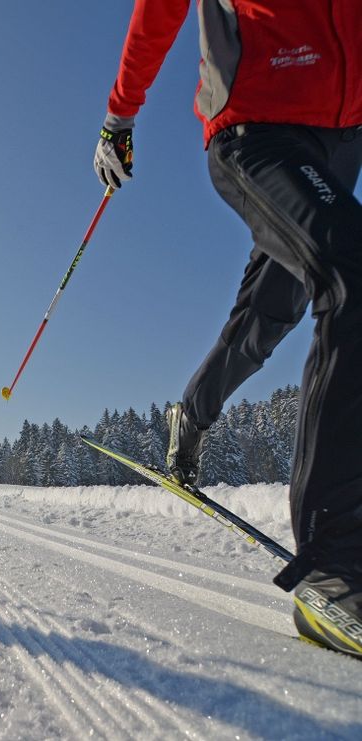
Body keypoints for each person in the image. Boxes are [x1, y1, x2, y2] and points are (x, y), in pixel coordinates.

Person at [93, 0, 362, 657]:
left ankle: (191, 414)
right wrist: (120, 115)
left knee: (268, 320)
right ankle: (336, 567)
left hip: (341, 139)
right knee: (352, 274)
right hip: (257, 127)